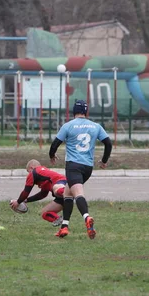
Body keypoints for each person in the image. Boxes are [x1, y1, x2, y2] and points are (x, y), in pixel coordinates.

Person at [49, 100, 113, 239]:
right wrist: (104, 161)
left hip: (73, 166)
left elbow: (55, 143)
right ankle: (64, 227)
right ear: (86, 112)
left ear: (73, 111)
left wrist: (52, 155)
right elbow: (108, 143)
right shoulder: (96, 126)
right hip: (87, 168)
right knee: (67, 193)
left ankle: (87, 218)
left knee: (77, 194)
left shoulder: (68, 125)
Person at [10, 160, 67, 226]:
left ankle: (72, 194)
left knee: (58, 190)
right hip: (61, 193)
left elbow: (26, 192)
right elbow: (42, 194)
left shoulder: (33, 173)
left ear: (31, 168)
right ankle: (60, 220)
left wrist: (18, 202)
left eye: (28, 171)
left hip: (62, 186)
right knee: (44, 213)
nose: (29, 174)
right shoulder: (44, 174)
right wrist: (26, 200)